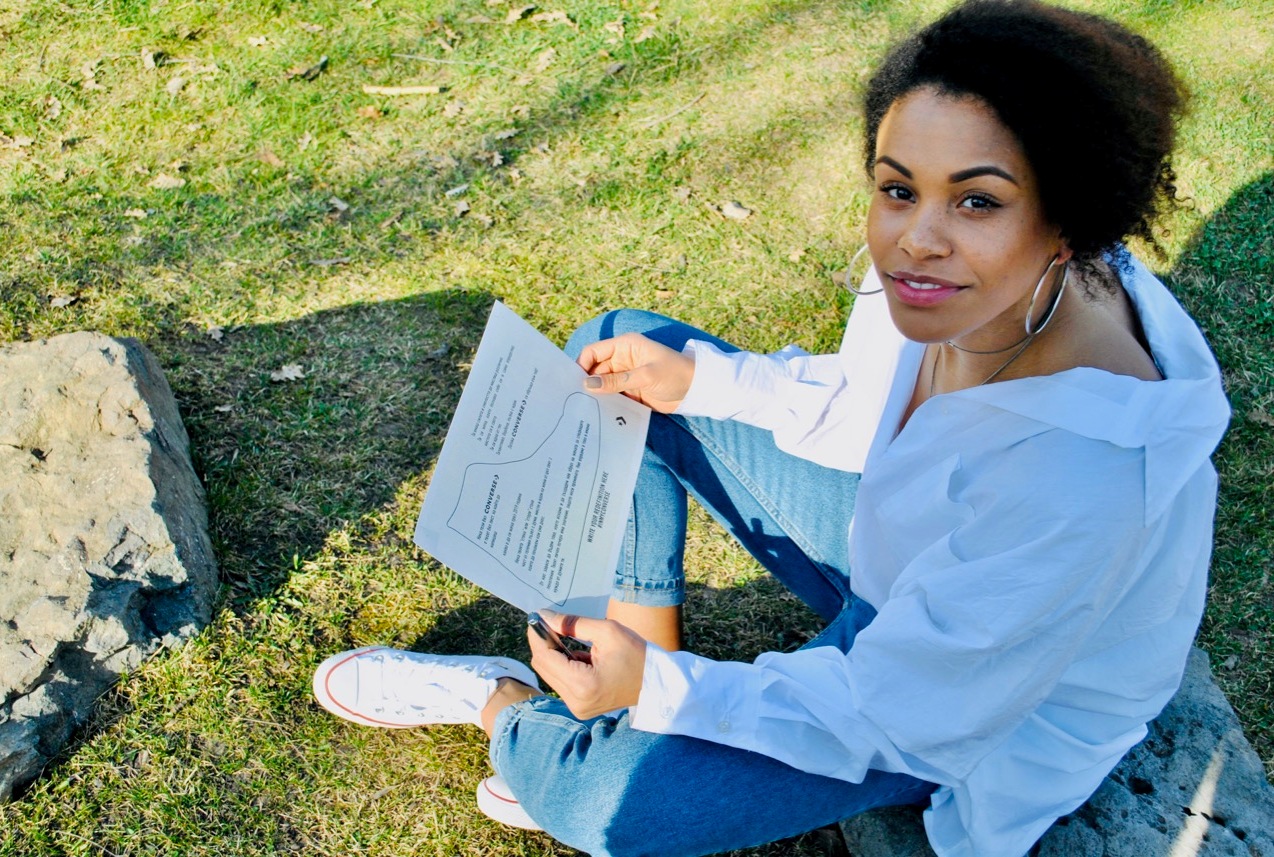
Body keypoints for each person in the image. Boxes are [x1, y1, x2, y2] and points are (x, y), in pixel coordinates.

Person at [311, 1, 1231, 854]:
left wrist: (664, 693)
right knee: (617, 357)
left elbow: (898, 709)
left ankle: (505, 704)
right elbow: (866, 402)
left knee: (602, 805)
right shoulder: (950, 281)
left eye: (978, 200)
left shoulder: (1086, 473)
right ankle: (620, 681)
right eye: (897, 188)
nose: (917, 237)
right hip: (897, 561)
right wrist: (705, 379)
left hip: (964, 701)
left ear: (1071, 215)